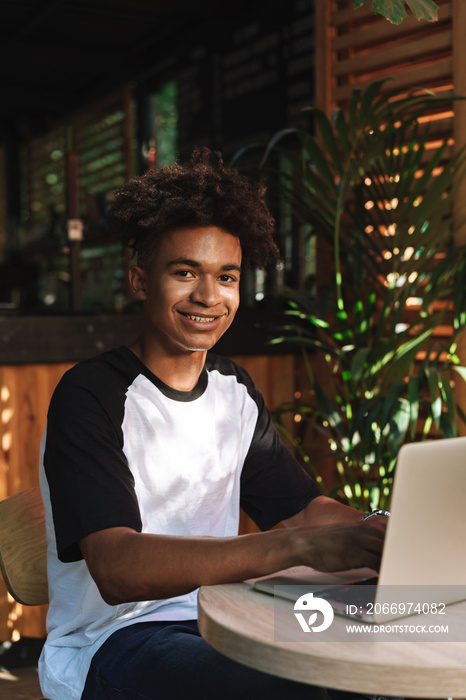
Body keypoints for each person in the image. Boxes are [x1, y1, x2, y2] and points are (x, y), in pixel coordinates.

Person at [38, 148, 387, 700]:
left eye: (226, 276)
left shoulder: (234, 390)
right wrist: (296, 549)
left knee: (401, 642)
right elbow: (118, 567)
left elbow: (302, 509)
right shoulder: (90, 396)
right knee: (302, 688)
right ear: (139, 280)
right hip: (117, 640)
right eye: (185, 272)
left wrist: (381, 531)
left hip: (228, 614)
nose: (208, 296)